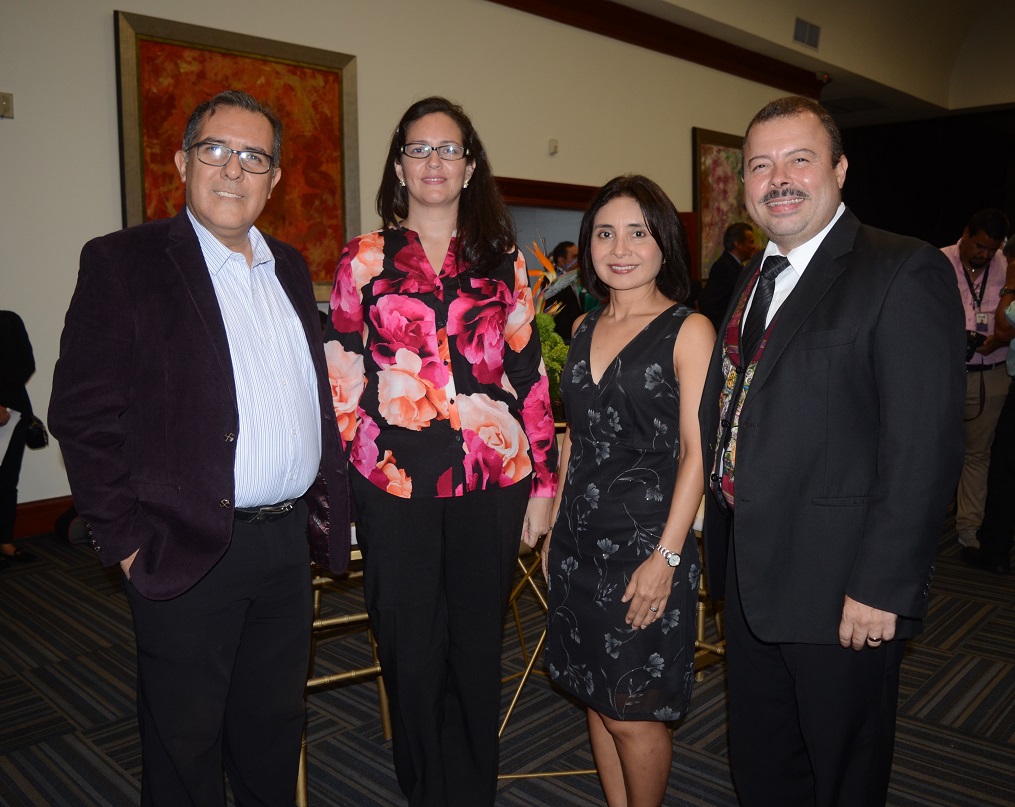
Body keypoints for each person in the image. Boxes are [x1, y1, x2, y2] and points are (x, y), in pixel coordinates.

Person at [49, 90, 350, 806]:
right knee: (184, 745)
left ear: (273, 179)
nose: (232, 170)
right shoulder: (126, 262)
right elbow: (82, 414)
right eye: (215, 149)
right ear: (183, 161)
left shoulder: (286, 263)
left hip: (284, 546)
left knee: (274, 729)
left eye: (253, 157)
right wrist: (124, 542)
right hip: (183, 547)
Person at [699, 96, 965, 806]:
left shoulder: (897, 270)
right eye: (760, 164)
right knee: (763, 766)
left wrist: (882, 582)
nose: (777, 177)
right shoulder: (757, 276)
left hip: (842, 587)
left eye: (798, 159)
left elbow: (923, 444)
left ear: (839, 170)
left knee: (841, 775)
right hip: (752, 579)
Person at [325, 96, 558, 807]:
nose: (433, 162)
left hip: (492, 481)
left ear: (469, 165)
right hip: (394, 486)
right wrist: (356, 470)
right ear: (399, 165)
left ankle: (471, 791)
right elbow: (340, 369)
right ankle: (427, 790)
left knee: (476, 649)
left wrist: (544, 482)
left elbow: (528, 372)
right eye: (418, 149)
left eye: (447, 149)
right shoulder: (364, 258)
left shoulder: (501, 259)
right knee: (409, 647)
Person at [542, 175, 714, 807]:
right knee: (595, 692)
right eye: (606, 233)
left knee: (633, 713)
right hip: (579, 545)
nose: (620, 247)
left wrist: (667, 557)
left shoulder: (687, 329)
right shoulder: (582, 326)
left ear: (664, 243)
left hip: (646, 546)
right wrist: (557, 524)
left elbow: (699, 452)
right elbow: (574, 441)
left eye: (638, 232)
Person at [940, 208, 1011, 549]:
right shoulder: (939, 261)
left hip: (991, 374)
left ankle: (969, 528)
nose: (984, 254)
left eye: (992, 248)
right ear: (966, 233)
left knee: (977, 454)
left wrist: (1002, 337)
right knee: (935, 451)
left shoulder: (1007, 267)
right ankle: (928, 519)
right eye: (979, 245)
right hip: (944, 374)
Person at [963, 239, 1015, 575]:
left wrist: (1010, 283)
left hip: (1001, 378)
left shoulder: (1009, 280)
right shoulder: (943, 259)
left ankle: (994, 550)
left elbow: (1005, 325)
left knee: (1003, 470)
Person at [0, 310, 39, 569]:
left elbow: (26, 364)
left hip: (11, 415)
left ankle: (4, 543)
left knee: (5, 483)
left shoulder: (8, 321)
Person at [697, 222, 757, 330]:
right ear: (738, 243)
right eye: (751, 242)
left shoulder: (734, 265)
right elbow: (709, 303)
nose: (754, 247)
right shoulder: (725, 267)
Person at [546, 240, 585, 342]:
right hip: (564, 339)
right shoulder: (552, 280)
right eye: (574, 257)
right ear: (561, 260)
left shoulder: (571, 278)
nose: (578, 260)